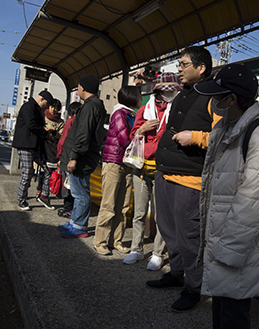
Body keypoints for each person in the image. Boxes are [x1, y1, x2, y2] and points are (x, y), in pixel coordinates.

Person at [194, 63, 259, 328]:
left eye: (216, 96)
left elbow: (252, 204)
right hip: (223, 242)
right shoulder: (225, 128)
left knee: (233, 317)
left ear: (231, 99)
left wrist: (228, 254)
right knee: (222, 314)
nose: (212, 102)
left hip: (238, 248)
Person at [147, 46, 220, 312]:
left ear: (201, 68)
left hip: (190, 179)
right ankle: (176, 274)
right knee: (168, 230)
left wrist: (196, 138)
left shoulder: (216, 97)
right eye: (179, 64)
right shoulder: (183, 95)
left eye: (184, 64)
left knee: (189, 237)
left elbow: (224, 137)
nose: (179, 69)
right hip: (165, 172)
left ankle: (194, 287)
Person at [123, 72, 182, 270]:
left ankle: (158, 253)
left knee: (161, 215)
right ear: (159, 91)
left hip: (163, 167)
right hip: (141, 165)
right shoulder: (144, 109)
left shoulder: (176, 110)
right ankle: (136, 249)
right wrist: (142, 129)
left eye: (173, 91)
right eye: (168, 91)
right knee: (139, 212)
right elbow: (133, 135)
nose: (170, 94)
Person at [93, 86, 140, 255]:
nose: (141, 98)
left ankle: (116, 240)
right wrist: (140, 132)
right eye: (139, 96)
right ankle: (100, 241)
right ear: (131, 98)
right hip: (114, 163)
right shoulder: (119, 114)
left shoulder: (130, 114)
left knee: (123, 205)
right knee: (109, 204)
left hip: (127, 163)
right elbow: (124, 139)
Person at [58, 74, 107, 239]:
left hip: (82, 158)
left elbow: (83, 134)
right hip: (84, 156)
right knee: (79, 192)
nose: (78, 89)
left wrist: (74, 157)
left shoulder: (89, 107)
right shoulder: (93, 106)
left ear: (84, 88)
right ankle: (74, 223)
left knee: (80, 193)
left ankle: (79, 226)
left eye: (79, 86)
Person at [12, 90, 54, 211]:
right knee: (27, 172)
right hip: (26, 144)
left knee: (47, 168)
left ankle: (44, 195)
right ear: (42, 99)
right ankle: (21, 199)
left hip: (35, 145)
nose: (46, 108)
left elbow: (36, 126)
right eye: (46, 104)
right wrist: (45, 133)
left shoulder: (37, 110)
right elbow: (31, 125)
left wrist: (45, 130)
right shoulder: (28, 107)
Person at [35, 98, 65, 210]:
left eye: (56, 109)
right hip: (42, 148)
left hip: (52, 150)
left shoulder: (60, 122)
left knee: (47, 173)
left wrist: (54, 131)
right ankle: (42, 193)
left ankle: (43, 194)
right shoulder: (42, 116)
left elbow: (61, 137)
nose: (54, 111)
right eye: (52, 108)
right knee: (43, 173)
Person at [56, 102, 81, 218]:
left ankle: (67, 208)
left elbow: (63, 139)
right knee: (75, 185)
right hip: (78, 157)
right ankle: (73, 209)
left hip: (67, 156)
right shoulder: (82, 122)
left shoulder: (70, 121)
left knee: (67, 184)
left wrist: (59, 155)